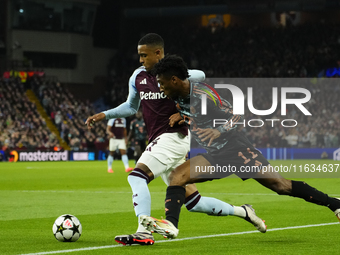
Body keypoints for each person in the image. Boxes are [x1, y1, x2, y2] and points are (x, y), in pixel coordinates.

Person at [85, 34, 266, 246]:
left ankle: (143, 232)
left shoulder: (172, 76)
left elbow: (200, 75)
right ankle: (244, 212)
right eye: (139, 55)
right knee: (194, 202)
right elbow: (131, 107)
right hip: (160, 140)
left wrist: (181, 85)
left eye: (144, 55)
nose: (141, 60)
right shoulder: (137, 77)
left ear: (158, 53)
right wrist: (105, 115)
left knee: (136, 177)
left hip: (173, 137)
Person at [141, 54, 340, 238]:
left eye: (162, 83)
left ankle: (335, 204)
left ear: (174, 80)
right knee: (178, 176)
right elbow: (196, 114)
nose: (160, 88)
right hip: (217, 153)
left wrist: (219, 130)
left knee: (281, 186)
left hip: (236, 148)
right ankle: (170, 225)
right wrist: (183, 117)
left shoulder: (204, 94)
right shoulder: (176, 96)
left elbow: (238, 115)